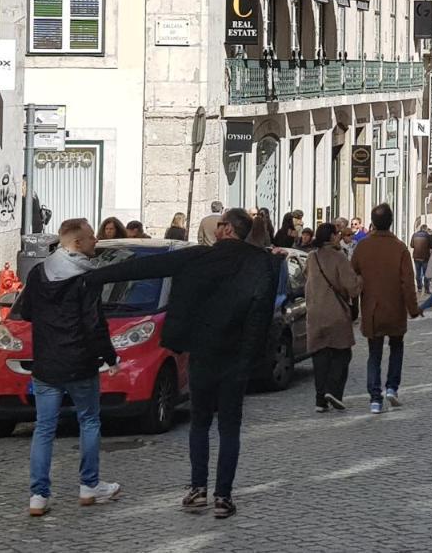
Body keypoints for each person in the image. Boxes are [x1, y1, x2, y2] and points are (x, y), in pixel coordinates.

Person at [86, 208, 277, 519]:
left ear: (227, 228)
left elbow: (147, 267)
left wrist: (92, 276)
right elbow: (262, 316)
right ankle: (223, 497)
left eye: (220, 224)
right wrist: (251, 358)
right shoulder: (262, 264)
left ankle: (198, 490)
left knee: (200, 423)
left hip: (202, 352)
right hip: (236, 357)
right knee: (230, 428)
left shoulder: (199, 257)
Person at [22, 218, 121, 517]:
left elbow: (27, 312)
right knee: (89, 421)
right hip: (79, 362)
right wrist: (110, 357)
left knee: (44, 428)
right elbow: (94, 324)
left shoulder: (39, 273)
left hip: (47, 363)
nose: (96, 241)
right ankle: (89, 486)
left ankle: (38, 496)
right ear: (77, 243)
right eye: (91, 237)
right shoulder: (85, 278)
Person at [352, 204, 421, 413]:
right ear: (391, 221)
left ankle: (375, 398)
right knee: (396, 347)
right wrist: (413, 308)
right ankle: (392, 387)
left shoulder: (362, 247)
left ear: (372, 222)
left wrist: (353, 305)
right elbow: (407, 283)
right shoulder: (399, 248)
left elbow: (351, 276)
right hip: (395, 309)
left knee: (374, 354)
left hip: (372, 309)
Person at [305, 222, 364, 412]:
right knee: (342, 353)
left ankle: (319, 400)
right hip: (336, 312)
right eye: (337, 234)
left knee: (320, 356)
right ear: (331, 237)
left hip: (315, 313)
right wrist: (361, 279)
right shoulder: (339, 257)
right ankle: (334, 391)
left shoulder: (311, 258)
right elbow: (352, 287)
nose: (338, 236)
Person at [410, 224, 432, 294]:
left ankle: (419, 288)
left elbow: (411, 245)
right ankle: (426, 289)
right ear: (425, 229)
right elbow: (431, 245)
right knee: (426, 273)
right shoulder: (428, 236)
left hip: (416, 257)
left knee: (418, 273)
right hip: (425, 257)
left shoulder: (414, 235)